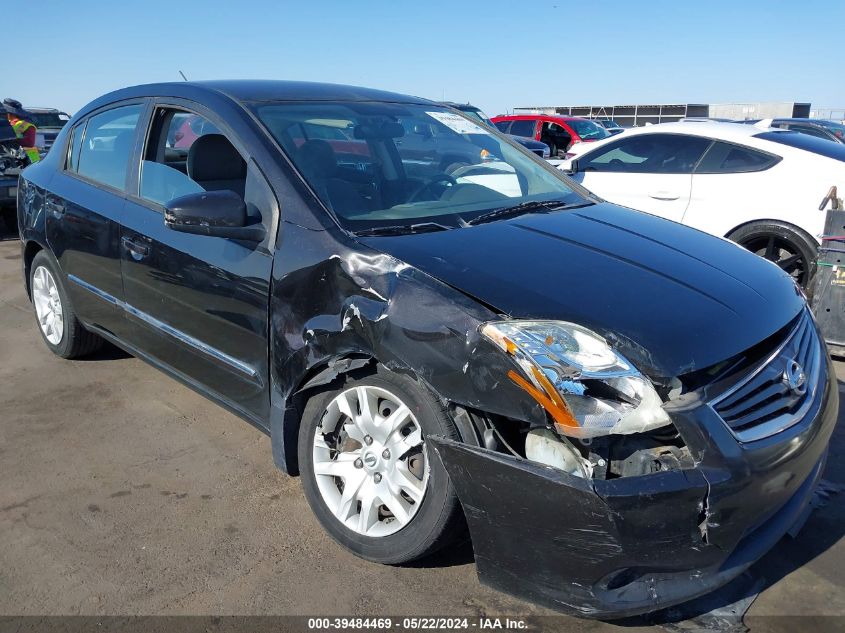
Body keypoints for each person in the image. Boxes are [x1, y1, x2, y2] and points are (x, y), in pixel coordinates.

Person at [3, 98, 40, 164]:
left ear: (9, 113)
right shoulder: (6, 124)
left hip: (29, 160)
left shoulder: (25, 125)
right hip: (13, 160)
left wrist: (12, 141)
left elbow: (30, 143)